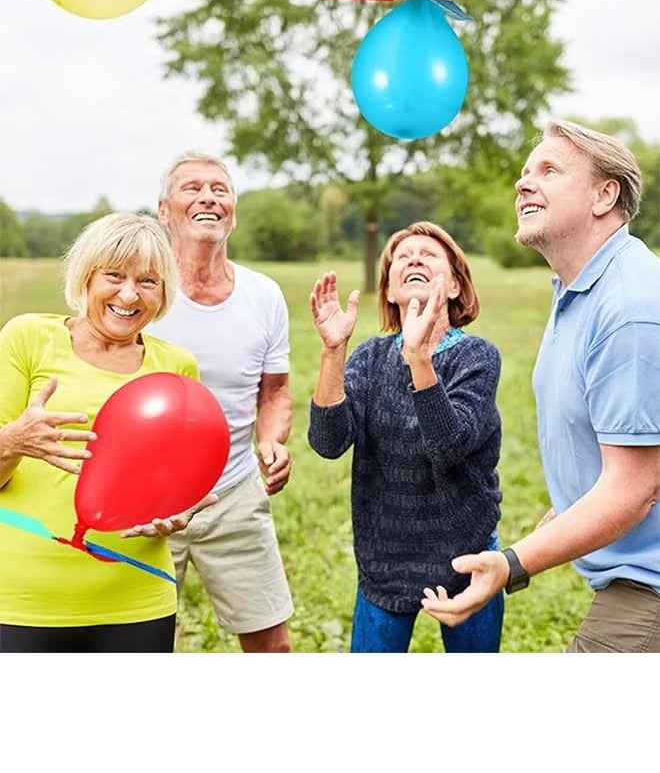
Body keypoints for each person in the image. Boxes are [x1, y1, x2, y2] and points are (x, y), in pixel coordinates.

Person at [422, 120, 660, 653]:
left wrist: (511, 564)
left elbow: (634, 487)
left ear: (605, 195)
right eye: (526, 172)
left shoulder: (630, 309)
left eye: (549, 171)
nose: (522, 184)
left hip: (649, 586)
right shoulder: (578, 290)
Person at [0, 212, 217, 653]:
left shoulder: (177, 367)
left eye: (148, 281)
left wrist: (178, 513)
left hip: (137, 600)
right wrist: (12, 442)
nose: (129, 294)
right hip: (22, 602)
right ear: (86, 277)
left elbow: (171, 486)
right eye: (114, 275)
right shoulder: (26, 338)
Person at [307, 221, 505, 652]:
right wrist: (333, 351)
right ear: (391, 292)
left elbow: (449, 446)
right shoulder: (370, 357)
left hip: (466, 555)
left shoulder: (478, 357)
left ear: (454, 287)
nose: (414, 258)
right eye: (402, 256)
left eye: (429, 255)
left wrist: (418, 358)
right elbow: (328, 442)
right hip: (385, 559)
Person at [147, 151, 294, 653]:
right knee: (134, 647)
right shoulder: (139, 289)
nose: (208, 197)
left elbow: (274, 391)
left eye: (219, 188)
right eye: (192, 188)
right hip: (141, 500)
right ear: (164, 210)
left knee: (272, 647)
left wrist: (271, 441)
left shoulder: (264, 295)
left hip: (232, 492)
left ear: (233, 208)